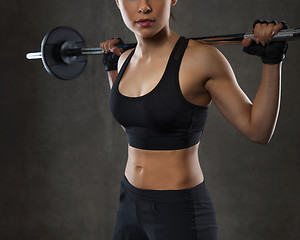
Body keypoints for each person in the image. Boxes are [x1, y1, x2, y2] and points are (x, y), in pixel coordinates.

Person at [100, 0, 287, 239]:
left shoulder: (201, 59)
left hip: (177, 210)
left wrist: (272, 61)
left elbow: (258, 130)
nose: (144, 7)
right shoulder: (124, 60)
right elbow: (134, 125)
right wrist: (111, 69)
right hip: (129, 202)